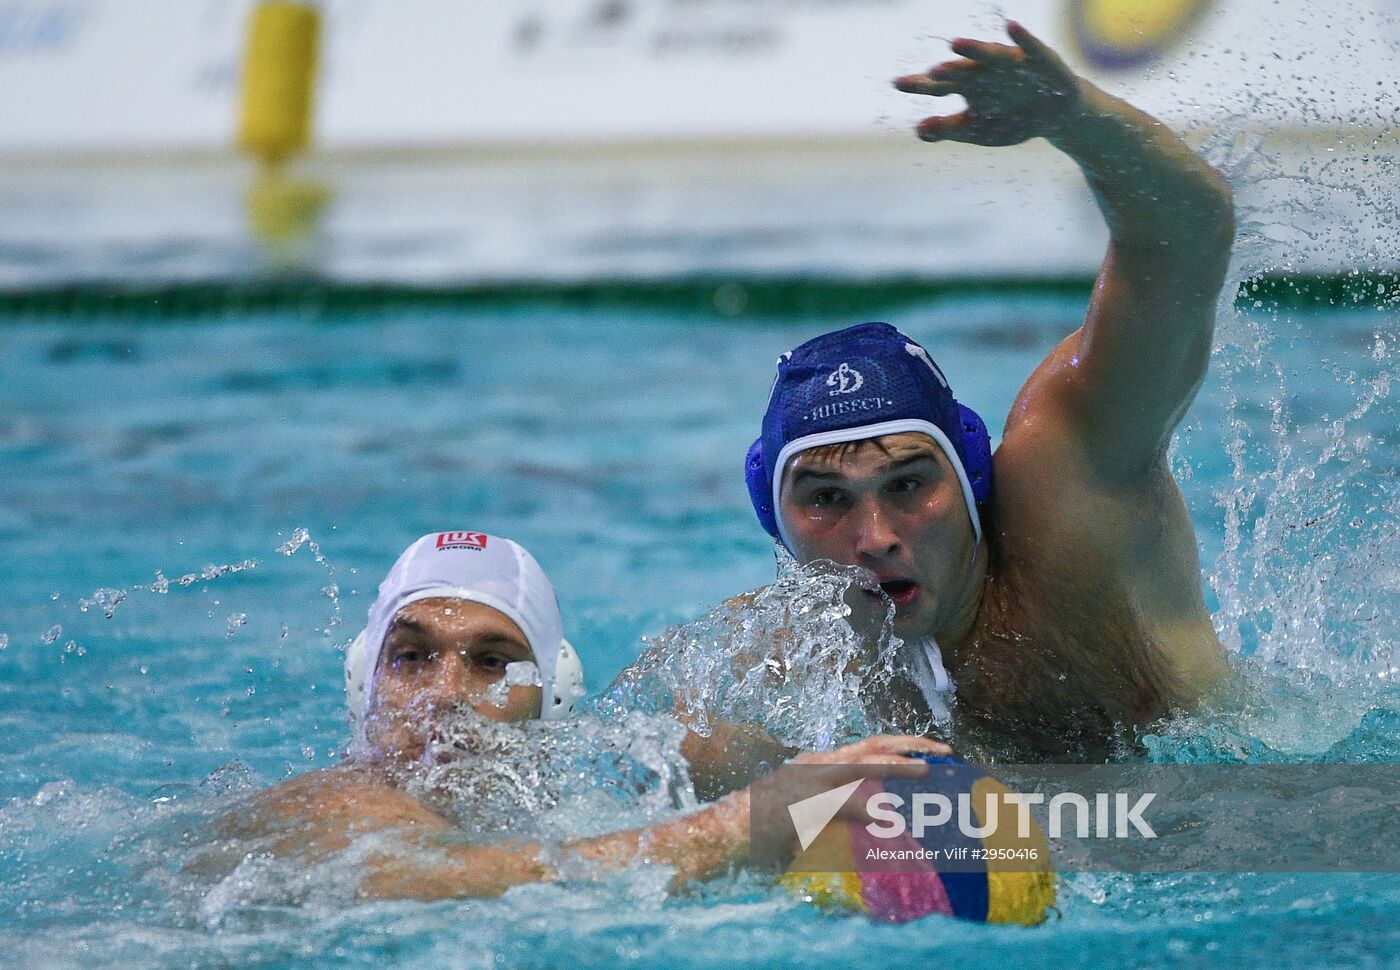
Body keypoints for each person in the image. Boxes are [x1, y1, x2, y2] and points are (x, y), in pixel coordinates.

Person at [638, 21, 1235, 782]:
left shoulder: (1068, 489)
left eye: (909, 483)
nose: (876, 536)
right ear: (775, 521)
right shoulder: (768, 661)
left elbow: (1188, 236)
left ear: (973, 476)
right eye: (826, 498)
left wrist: (1077, 120)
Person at [196, 530, 946, 901]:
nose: (446, 693)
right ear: (364, 682)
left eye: (492, 661)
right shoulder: (333, 807)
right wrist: (740, 824)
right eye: (412, 657)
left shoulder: (580, 799)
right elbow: (429, 878)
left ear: (551, 702)